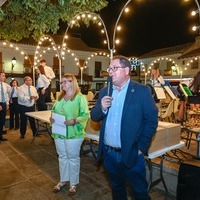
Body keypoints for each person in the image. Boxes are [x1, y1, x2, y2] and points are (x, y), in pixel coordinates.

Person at [90, 55, 158, 200]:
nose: (110, 71)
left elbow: (151, 120)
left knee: (139, 192)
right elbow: (94, 117)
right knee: (117, 189)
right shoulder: (104, 91)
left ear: (127, 70)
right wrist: (101, 107)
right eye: (109, 68)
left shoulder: (141, 91)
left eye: (115, 68)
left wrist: (141, 147)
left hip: (132, 153)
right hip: (109, 154)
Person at [50, 73, 89, 195]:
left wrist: (75, 120)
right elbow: (54, 110)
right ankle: (63, 180)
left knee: (72, 158)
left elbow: (85, 114)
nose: (62, 84)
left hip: (73, 133)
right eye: (62, 82)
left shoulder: (79, 97)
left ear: (73, 82)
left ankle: (73, 184)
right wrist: (52, 118)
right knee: (62, 157)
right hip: (59, 132)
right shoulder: (60, 97)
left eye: (66, 81)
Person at [0, 72, 9, 141]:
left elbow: (6, 95)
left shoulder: (5, 85)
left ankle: (0, 136)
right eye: (3, 76)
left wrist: (7, 103)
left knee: (2, 120)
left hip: (3, 103)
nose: (4, 77)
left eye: (4, 76)